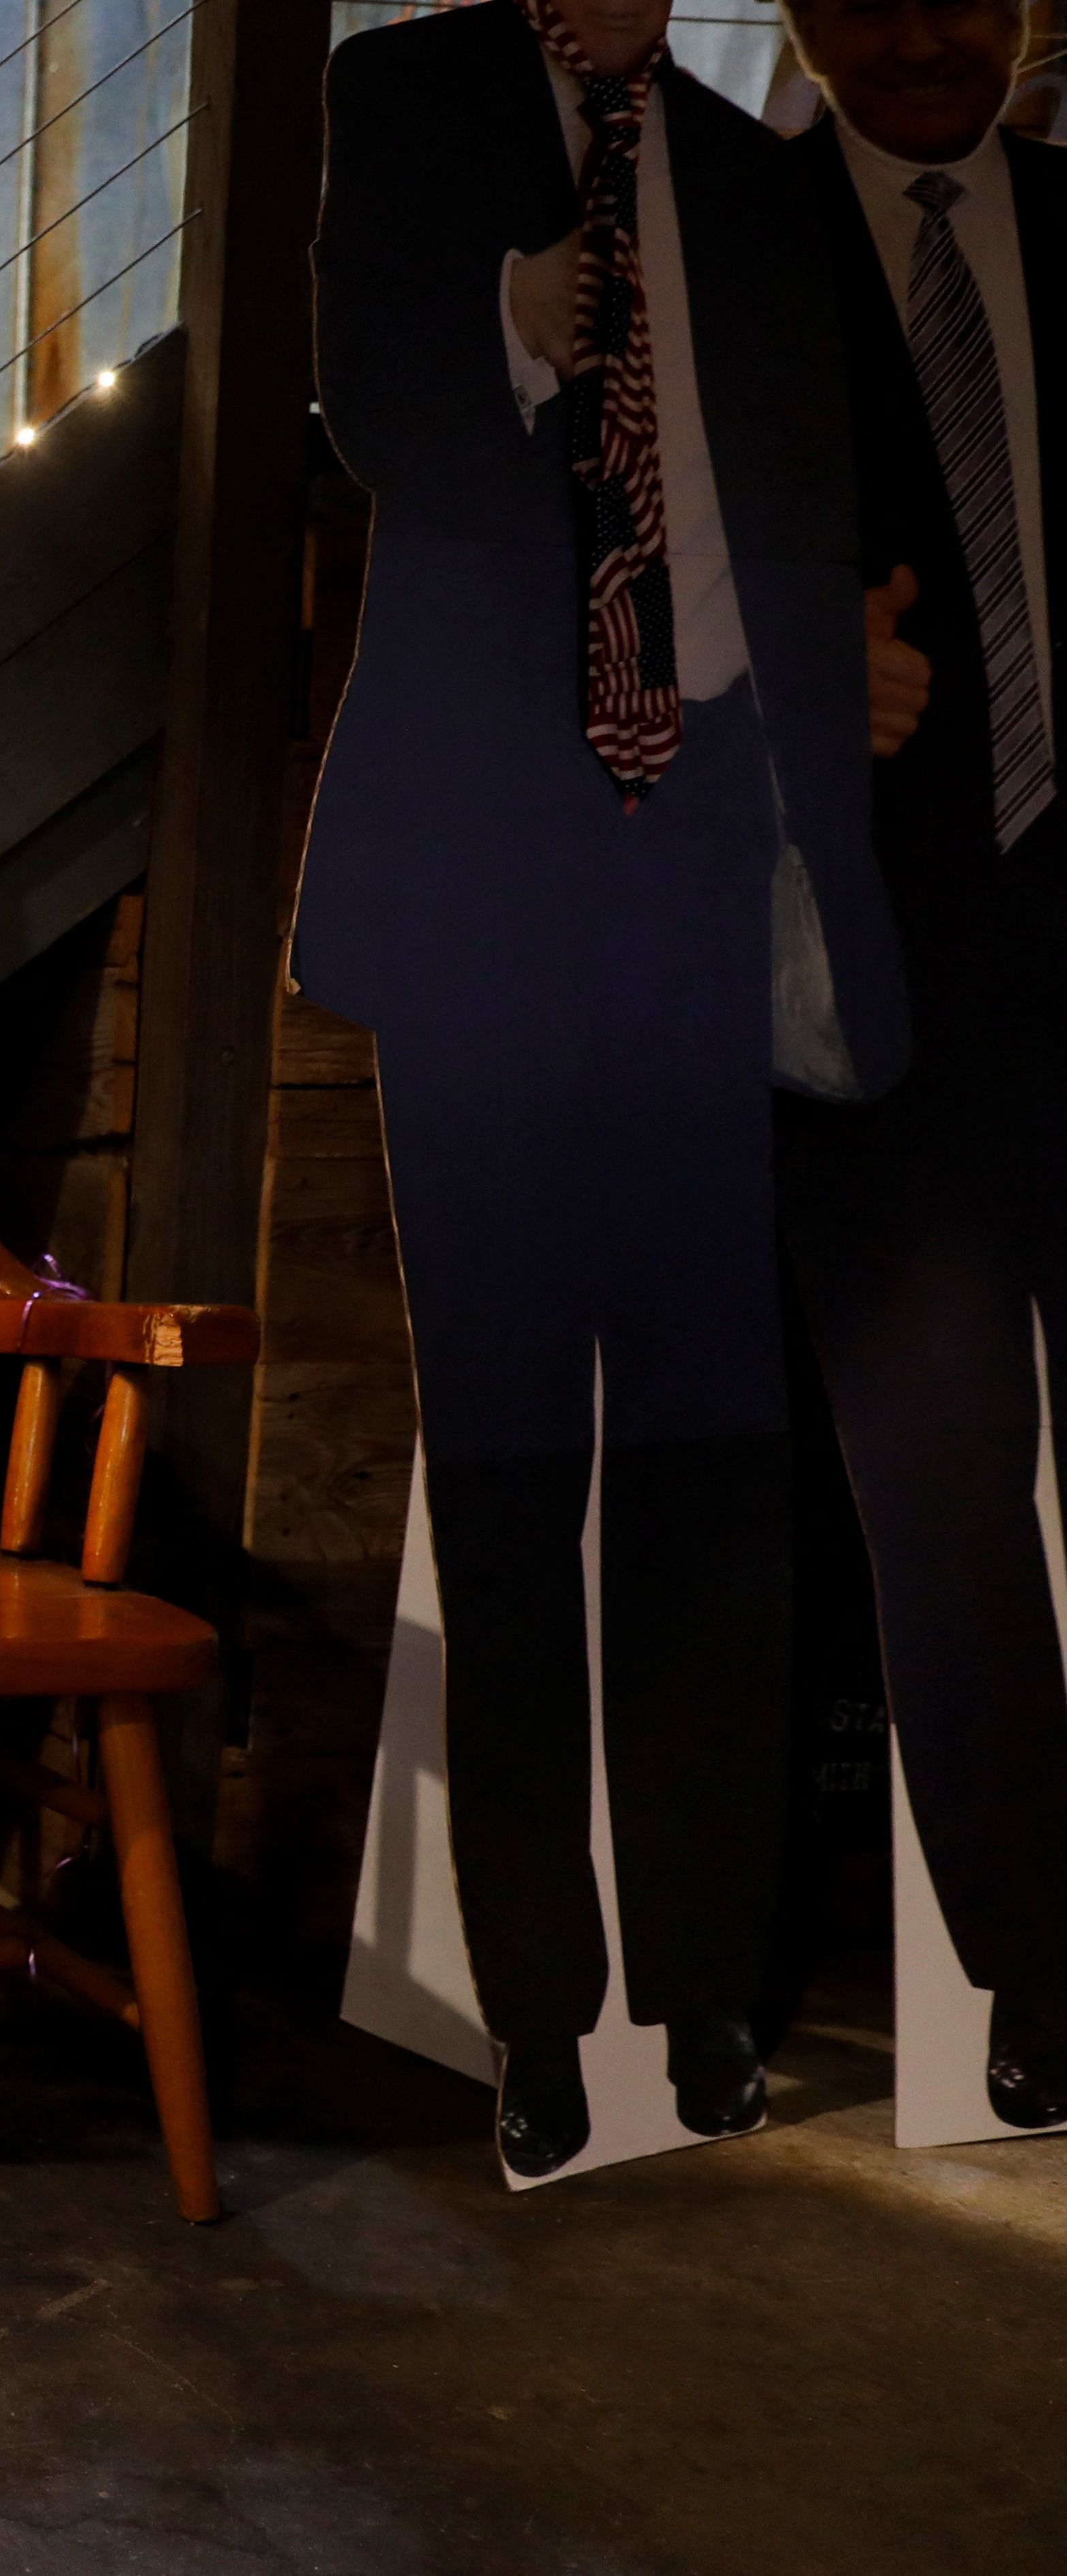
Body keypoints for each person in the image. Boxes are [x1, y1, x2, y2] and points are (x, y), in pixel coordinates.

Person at [304, 0, 909, 2177]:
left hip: (703, 870)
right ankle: (538, 2019)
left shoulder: (752, 176)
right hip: (478, 878)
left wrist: (846, 695)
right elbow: (376, 419)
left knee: (703, 1468)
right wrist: (516, 321)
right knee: (503, 1461)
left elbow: (815, 496)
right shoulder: (410, 98)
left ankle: (704, 1995)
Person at [779, 0, 1067, 2136]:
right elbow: (575, 568)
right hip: (881, 987)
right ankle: (1045, 1983)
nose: (914, 31)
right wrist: (795, 673)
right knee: (943, 1498)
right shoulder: (719, 262)